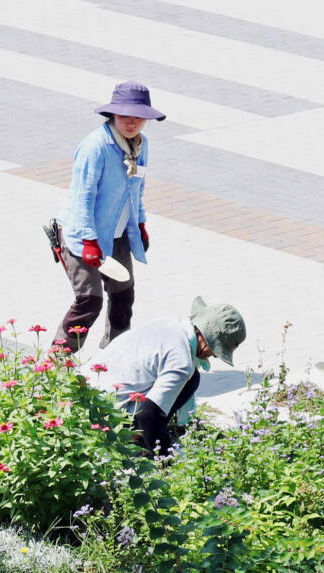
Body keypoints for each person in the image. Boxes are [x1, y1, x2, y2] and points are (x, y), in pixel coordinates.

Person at [51, 82, 165, 354]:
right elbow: (83, 197)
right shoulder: (95, 147)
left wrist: (139, 223)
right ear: (112, 115)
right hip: (82, 235)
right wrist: (90, 240)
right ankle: (55, 363)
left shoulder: (140, 144)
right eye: (125, 115)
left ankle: (116, 355)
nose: (132, 122)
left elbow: (136, 189)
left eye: (138, 117)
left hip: (117, 233)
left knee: (124, 294)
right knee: (89, 300)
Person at [96, 296, 246, 455]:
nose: (214, 356)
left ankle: (149, 436)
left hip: (88, 394)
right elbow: (148, 415)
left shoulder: (171, 324)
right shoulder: (181, 362)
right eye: (216, 350)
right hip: (106, 418)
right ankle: (138, 442)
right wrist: (164, 455)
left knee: (192, 378)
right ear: (206, 338)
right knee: (190, 381)